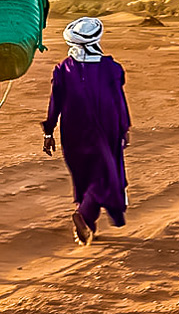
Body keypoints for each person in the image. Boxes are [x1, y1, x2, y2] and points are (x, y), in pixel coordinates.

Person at [42, 17, 132, 245]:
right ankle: (83, 215)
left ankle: (86, 228)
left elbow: (55, 102)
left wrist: (49, 131)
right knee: (104, 177)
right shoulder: (112, 69)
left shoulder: (63, 69)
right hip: (107, 130)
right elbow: (119, 101)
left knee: (83, 175)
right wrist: (124, 128)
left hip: (73, 131)